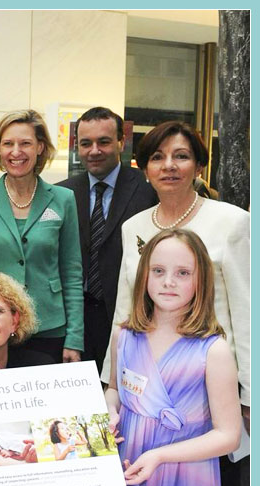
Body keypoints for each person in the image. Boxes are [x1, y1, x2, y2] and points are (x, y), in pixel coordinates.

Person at [100, 120, 250, 486]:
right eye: (157, 157)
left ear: (199, 165)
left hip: (208, 379)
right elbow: (124, 304)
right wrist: (111, 383)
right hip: (143, 367)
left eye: (181, 156)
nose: (169, 165)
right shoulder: (135, 225)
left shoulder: (233, 222)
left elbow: (247, 310)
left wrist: (249, 397)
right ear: (143, 167)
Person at [104, 229, 241, 486]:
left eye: (182, 273)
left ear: (201, 280)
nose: (168, 281)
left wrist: (160, 456)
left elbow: (229, 435)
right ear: (144, 276)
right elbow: (115, 389)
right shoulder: (123, 335)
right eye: (158, 271)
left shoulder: (213, 350)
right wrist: (109, 411)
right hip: (128, 465)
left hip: (186, 478)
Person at [0, 110, 83, 364]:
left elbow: (71, 273)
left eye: (25, 143)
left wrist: (74, 338)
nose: (16, 152)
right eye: (8, 144)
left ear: (40, 148)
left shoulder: (63, 199)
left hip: (49, 327)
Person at [57, 107, 157, 373]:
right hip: (74, 318)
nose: (94, 151)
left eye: (104, 142)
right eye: (86, 143)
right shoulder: (63, 192)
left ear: (121, 143)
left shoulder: (148, 190)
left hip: (128, 317)